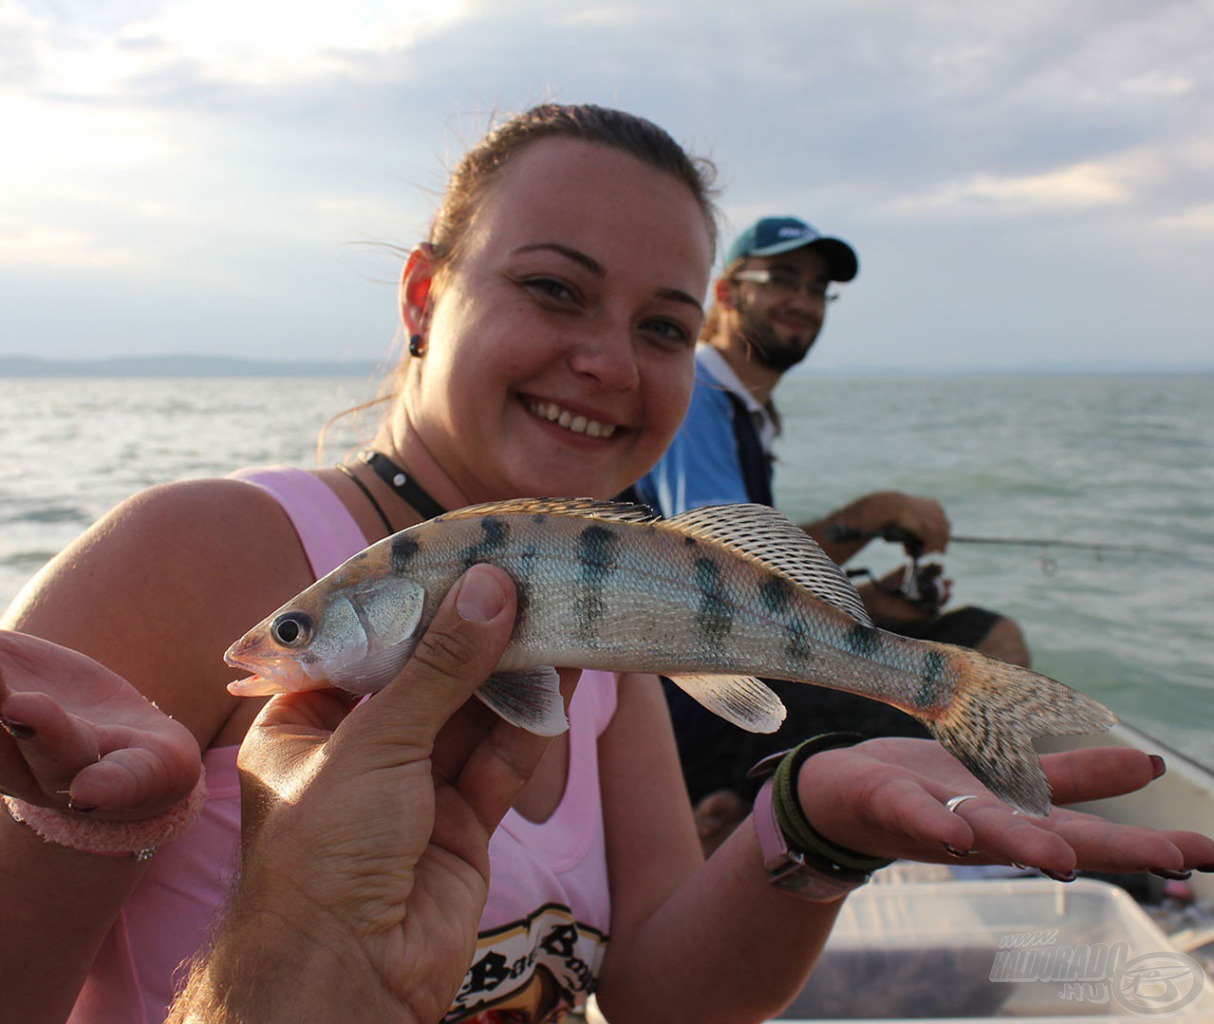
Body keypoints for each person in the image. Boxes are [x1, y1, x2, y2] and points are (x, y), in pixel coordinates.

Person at [2, 104, 1211, 1024]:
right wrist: (88, 842)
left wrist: (809, 833)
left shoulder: (605, 651)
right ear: (424, 296)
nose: (606, 361)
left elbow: (656, 994)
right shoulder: (192, 550)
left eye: (663, 327)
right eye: (551, 289)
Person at [634, 216, 1031, 849]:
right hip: (713, 714)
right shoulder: (701, 395)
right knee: (992, 645)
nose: (804, 300)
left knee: (972, 651)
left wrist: (865, 602)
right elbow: (726, 574)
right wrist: (870, 515)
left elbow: (742, 590)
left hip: (742, 682)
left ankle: (767, 808)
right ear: (729, 294)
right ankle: (753, 805)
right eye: (782, 279)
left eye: (818, 288)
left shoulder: (744, 411)